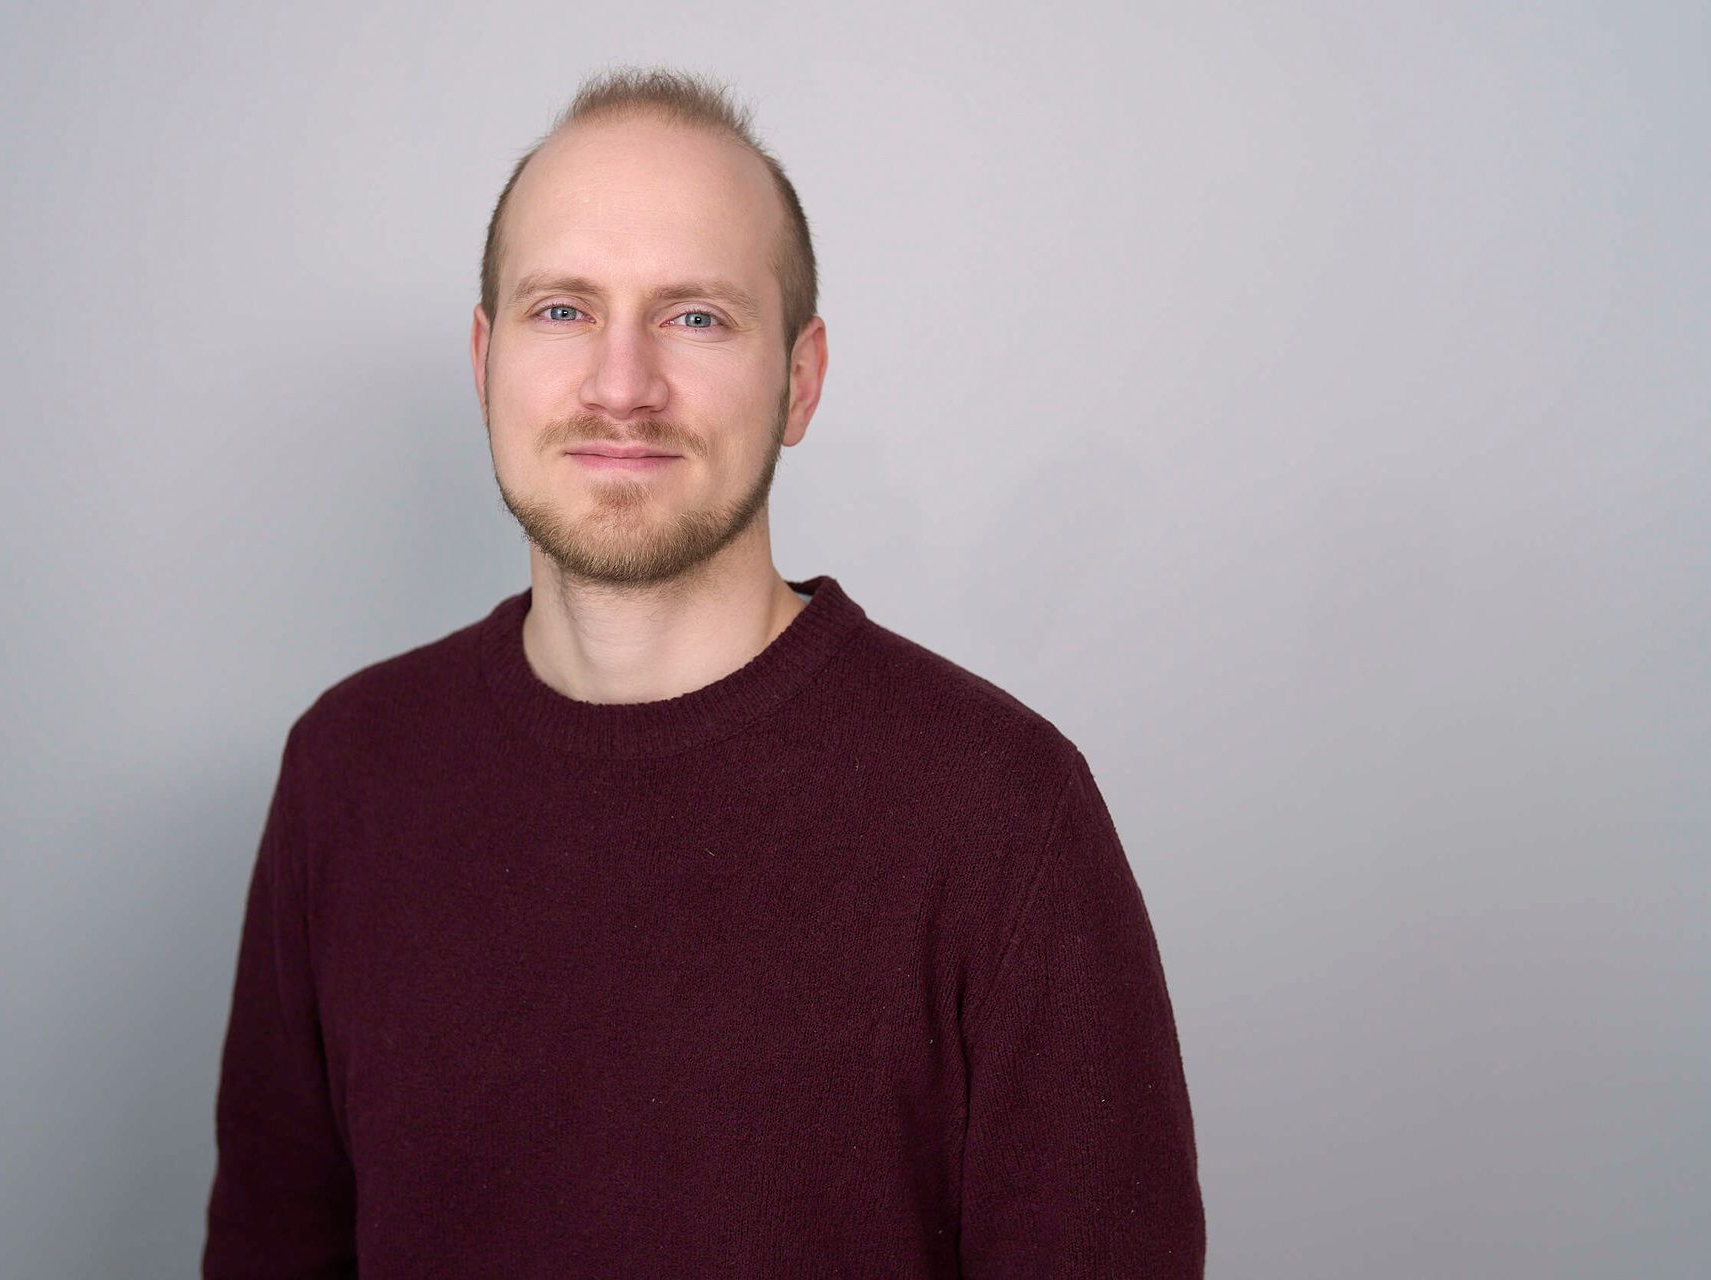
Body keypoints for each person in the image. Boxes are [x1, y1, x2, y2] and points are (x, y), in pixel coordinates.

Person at [202, 65, 1205, 1278]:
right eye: (563, 310)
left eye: (697, 316)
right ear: (484, 359)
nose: (621, 385)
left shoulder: (1003, 811)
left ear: (801, 377)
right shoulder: (349, 770)